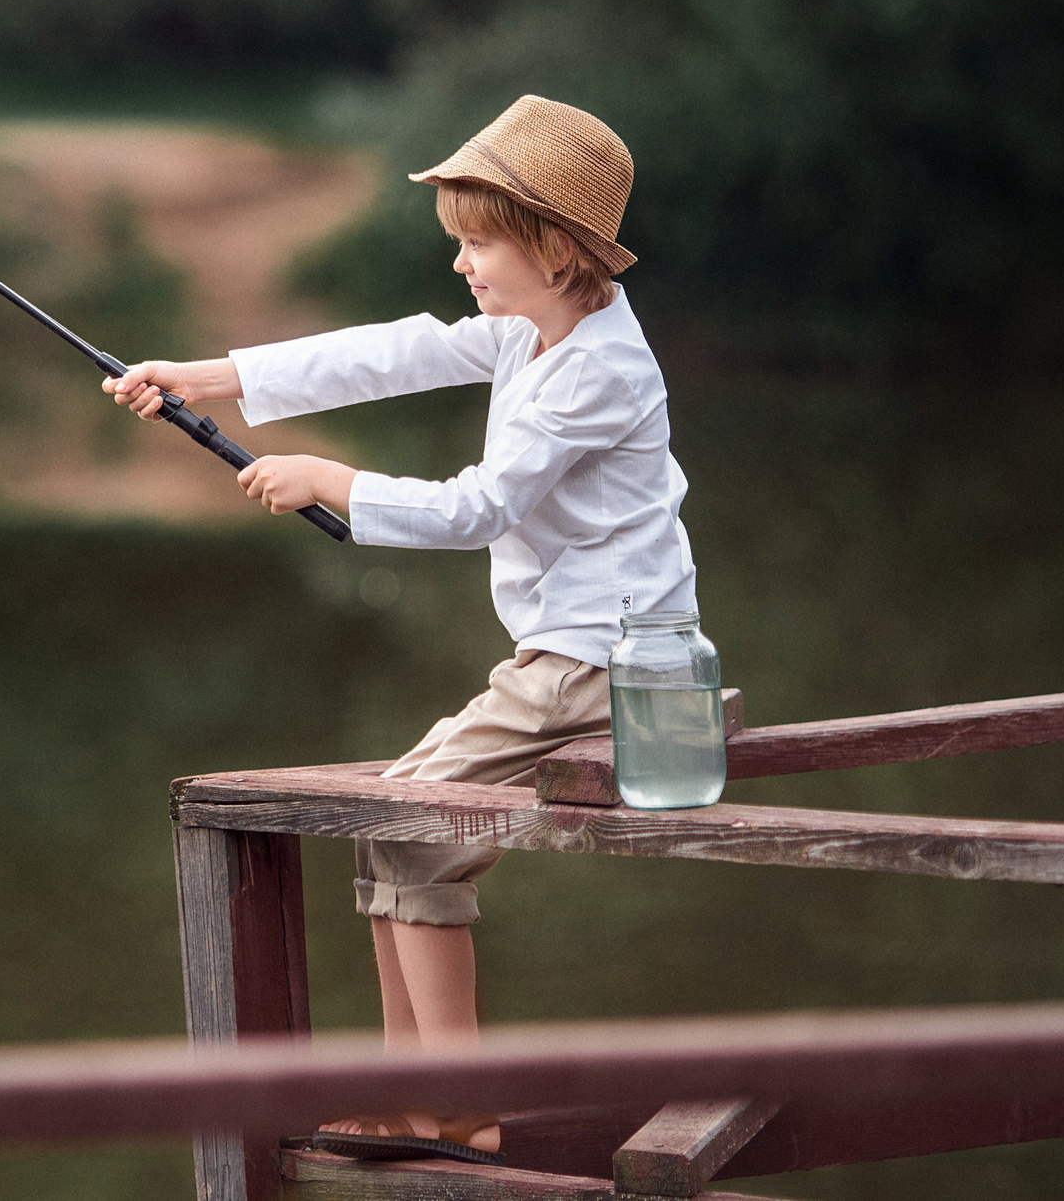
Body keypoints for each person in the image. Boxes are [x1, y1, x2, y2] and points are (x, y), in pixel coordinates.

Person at [105, 94, 698, 1163]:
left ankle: (460, 1110)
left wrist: (331, 478)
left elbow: (479, 509)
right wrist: (210, 378)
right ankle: (407, 1097)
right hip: (566, 656)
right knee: (385, 821)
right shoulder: (536, 328)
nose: (461, 263)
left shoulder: (600, 370)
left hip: (608, 663)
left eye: (479, 243)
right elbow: (396, 354)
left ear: (557, 251)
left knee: (414, 831)